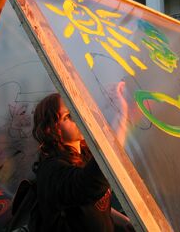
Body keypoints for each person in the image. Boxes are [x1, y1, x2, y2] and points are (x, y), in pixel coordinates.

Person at [32, 93, 134, 232]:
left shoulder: (85, 154)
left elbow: (92, 205)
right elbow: (90, 185)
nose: (77, 117)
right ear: (50, 129)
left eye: (76, 110)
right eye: (68, 116)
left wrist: (124, 221)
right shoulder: (51, 171)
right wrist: (121, 116)